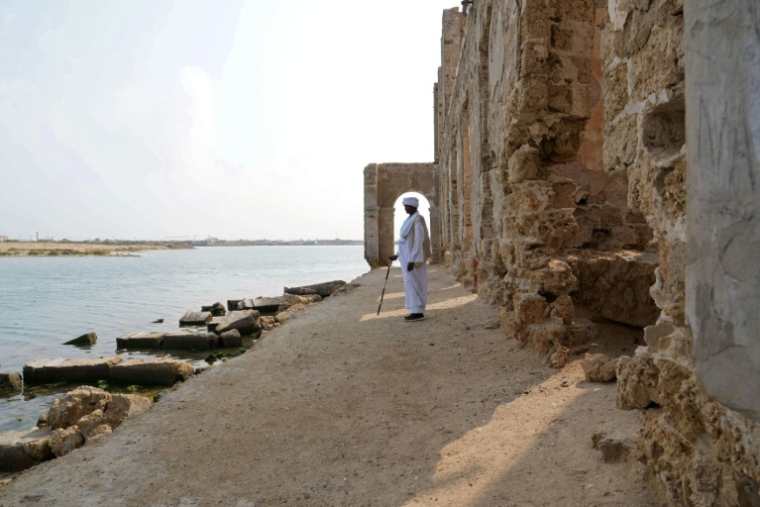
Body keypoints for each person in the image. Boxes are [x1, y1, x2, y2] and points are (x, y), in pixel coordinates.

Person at [389, 196, 431, 322]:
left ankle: (418, 312)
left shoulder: (417, 220)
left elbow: (419, 241)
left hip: (413, 260)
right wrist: (397, 254)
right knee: (409, 284)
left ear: (412, 206)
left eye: (406, 206)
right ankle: (414, 310)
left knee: (415, 284)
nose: (405, 208)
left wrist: (413, 260)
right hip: (406, 258)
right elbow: (404, 240)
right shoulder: (409, 220)